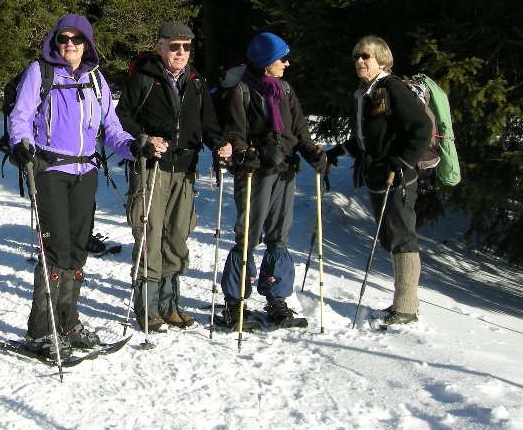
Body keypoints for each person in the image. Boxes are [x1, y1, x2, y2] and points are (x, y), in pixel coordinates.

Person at [7, 14, 135, 356]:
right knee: (56, 250)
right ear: (55, 41)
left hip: (85, 172)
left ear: (87, 44)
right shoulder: (40, 72)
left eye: (77, 39)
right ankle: (40, 331)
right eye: (63, 38)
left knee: (78, 250)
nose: (69, 44)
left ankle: (67, 322)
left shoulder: (95, 78)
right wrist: (20, 144)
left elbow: (111, 128)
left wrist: (134, 147)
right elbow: (21, 116)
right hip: (49, 169)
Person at [116, 21, 231, 331]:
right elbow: (121, 117)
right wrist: (144, 138)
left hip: (184, 170)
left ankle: (170, 305)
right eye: (174, 46)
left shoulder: (196, 82)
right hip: (152, 169)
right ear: (160, 47)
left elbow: (208, 123)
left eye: (187, 46)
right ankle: (148, 307)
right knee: (149, 234)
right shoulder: (143, 79)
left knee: (177, 235)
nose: (181, 52)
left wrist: (220, 143)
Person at [218, 32, 328, 328]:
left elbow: (300, 130)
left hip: (284, 171)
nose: (287, 63)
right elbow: (236, 134)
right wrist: (246, 154)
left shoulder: (285, 90)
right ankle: (235, 302)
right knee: (248, 236)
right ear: (267, 62)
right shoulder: (242, 91)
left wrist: (313, 153)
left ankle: (276, 299)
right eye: (282, 58)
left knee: (279, 235)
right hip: (255, 173)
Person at [325, 36, 431, 327]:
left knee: (401, 236)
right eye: (356, 57)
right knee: (390, 237)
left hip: (397, 176)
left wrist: (402, 160)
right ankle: (402, 303)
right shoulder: (367, 92)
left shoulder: (392, 88)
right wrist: (339, 150)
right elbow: (369, 138)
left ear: (381, 60)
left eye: (366, 56)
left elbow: (421, 128)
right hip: (378, 174)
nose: (359, 61)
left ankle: (406, 307)